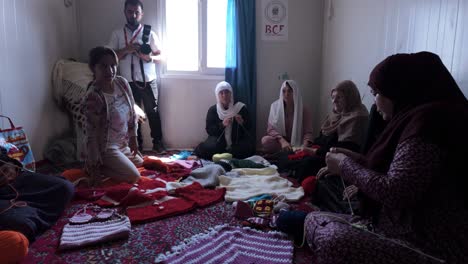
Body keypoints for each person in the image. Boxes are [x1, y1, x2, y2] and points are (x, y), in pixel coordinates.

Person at [277, 51, 468, 263]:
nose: (375, 103)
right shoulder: (415, 119)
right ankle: (310, 222)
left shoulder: (428, 124)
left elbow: (396, 193)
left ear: (398, 90)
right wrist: (355, 159)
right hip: (392, 226)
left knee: (332, 240)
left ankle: (311, 224)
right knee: (304, 216)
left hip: (426, 247)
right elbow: (393, 170)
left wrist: (346, 165)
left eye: (376, 93)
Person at [108, 0, 165, 153]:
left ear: (142, 14)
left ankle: (158, 143)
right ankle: (136, 146)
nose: (133, 15)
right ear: (124, 12)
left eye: (136, 12)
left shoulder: (150, 33)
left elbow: (162, 57)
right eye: (130, 12)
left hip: (148, 80)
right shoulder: (117, 34)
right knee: (132, 114)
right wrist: (126, 49)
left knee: (153, 111)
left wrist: (149, 58)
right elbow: (110, 58)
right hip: (127, 81)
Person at [0, 147, 74, 262]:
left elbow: (3, 155)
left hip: (14, 181)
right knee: (20, 222)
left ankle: (31, 219)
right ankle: (28, 220)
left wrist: (10, 166)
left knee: (64, 187)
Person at [83, 46, 143, 185]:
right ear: (93, 68)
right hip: (105, 148)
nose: (110, 71)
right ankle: (94, 167)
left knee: (140, 162)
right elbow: (90, 135)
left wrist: (133, 138)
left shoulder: (122, 83)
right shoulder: (93, 96)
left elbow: (132, 112)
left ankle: (111, 164)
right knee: (134, 176)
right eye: (103, 66)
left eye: (113, 65)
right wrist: (95, 166)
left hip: (122, 144)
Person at [194, 81, 255, 160]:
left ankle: (225, 155)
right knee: (208, 148)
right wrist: (222, 124)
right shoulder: (213, 110)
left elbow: (249, 127)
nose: (224, 95)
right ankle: (228, 155)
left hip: (237, 142)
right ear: (217, 95)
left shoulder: (240, 108)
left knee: (249, 148)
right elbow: (209, 130)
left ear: (231, 94)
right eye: (221, 93)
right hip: (218, 142)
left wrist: (242, 122)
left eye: (227, 92)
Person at [261, 80, 314, 154]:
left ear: (295, 92)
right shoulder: (275, 107)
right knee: (265, 140)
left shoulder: (303, 109)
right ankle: (290, 151)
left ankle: (292, 151)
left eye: (289, 91)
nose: (286, 94)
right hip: (281, 142)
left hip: (298, 142)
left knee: (306, 146)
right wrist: (282, 141)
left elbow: (308, 132)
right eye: (284, 91)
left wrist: (304, 146)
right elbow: (270, 129)